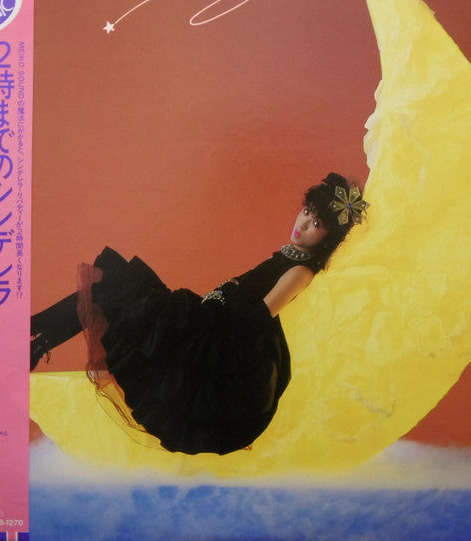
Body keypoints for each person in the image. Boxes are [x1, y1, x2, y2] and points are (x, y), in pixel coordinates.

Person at [30, 173, 368, 455]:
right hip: (207, 321)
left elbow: (258, 317)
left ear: (328, 237)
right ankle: (36, 339)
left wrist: (198, 321)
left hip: (218, 341)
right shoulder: (290, 255)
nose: (304, 223)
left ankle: (33, 334)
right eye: (306, 211)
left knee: (115, 285)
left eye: (317, 223)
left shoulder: (301, 271)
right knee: (111, 288)